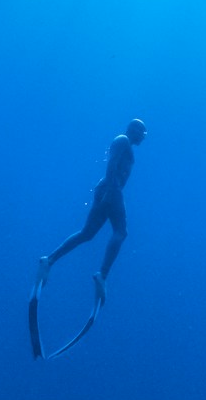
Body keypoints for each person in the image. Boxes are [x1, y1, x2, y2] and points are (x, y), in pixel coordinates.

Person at [37, 118, 147, 297]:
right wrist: (111, 192)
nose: (143, 138)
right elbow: (111, 164)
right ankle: (102, 275)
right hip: (112, 188)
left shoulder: (124, 143)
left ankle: (49, 260)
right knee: (121, 232)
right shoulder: (122, 140)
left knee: (87, 233)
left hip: (108, 189)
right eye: (142, 133)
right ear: (134, 130)